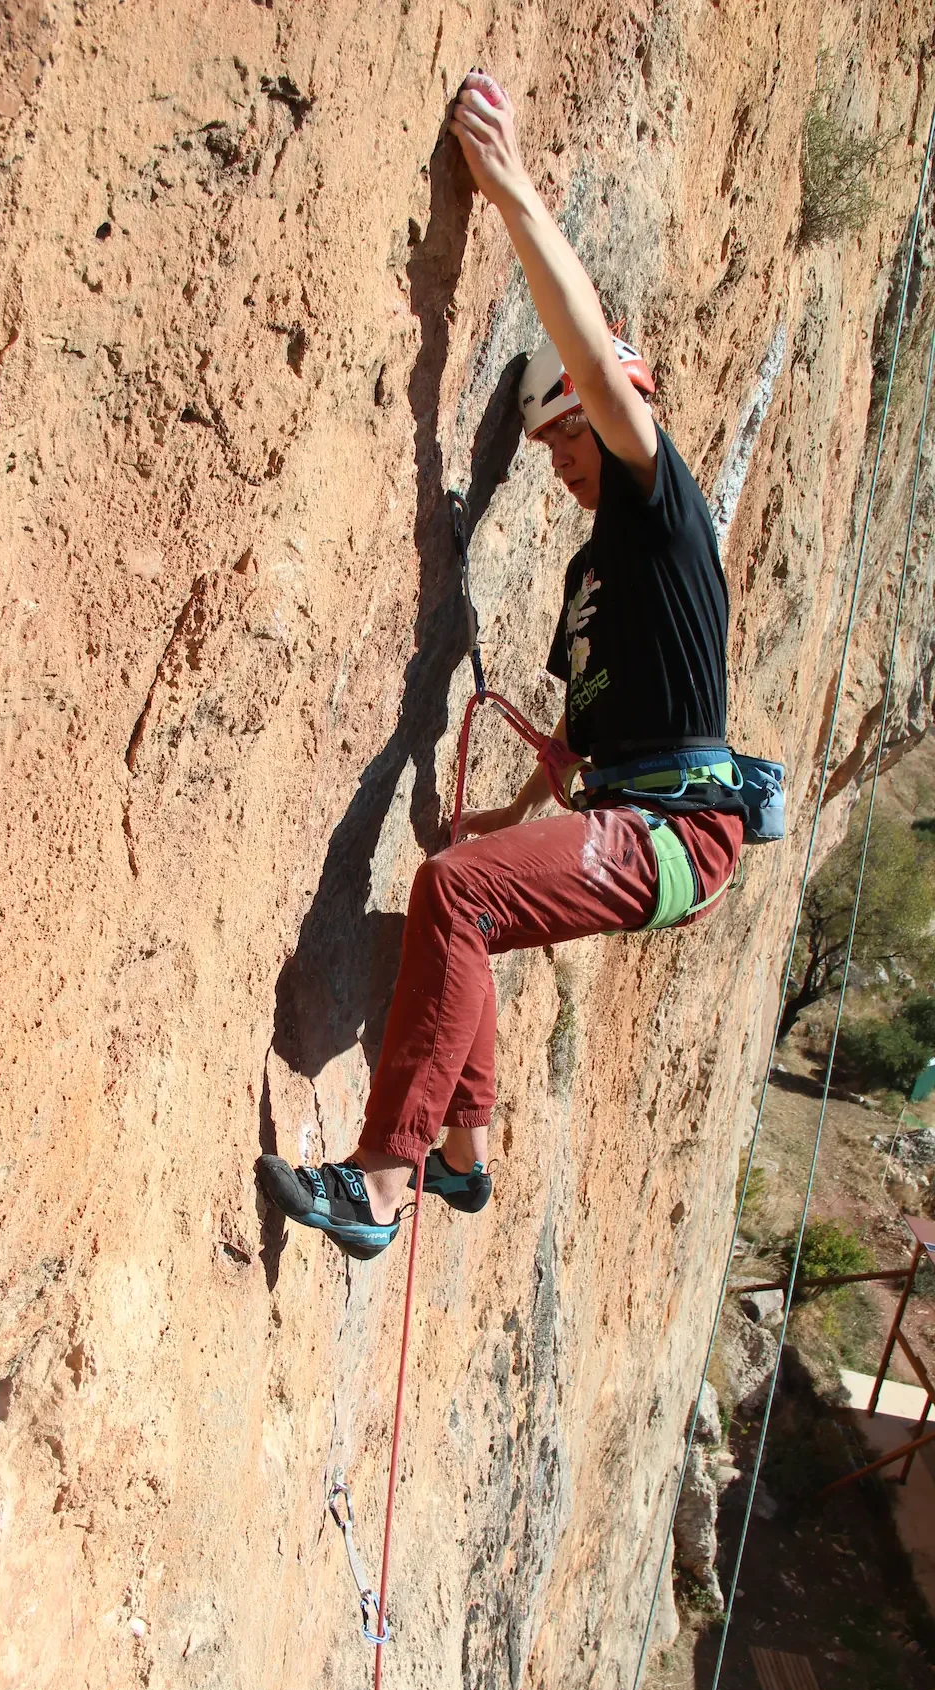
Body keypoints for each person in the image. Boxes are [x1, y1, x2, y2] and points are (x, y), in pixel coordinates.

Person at [257, 72, 745, 1259]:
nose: (560, 464)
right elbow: (584, 725)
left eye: (566, 435)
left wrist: (512, 188)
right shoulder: (593, 581)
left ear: (611, 409)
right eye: (544, 450)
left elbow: (583, 333)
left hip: (681, 834)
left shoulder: (658, 507)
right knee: (470, 874)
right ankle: (463, 1163)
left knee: (457, 896)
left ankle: (383, 1182)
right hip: (638, 816)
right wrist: (515, 802)